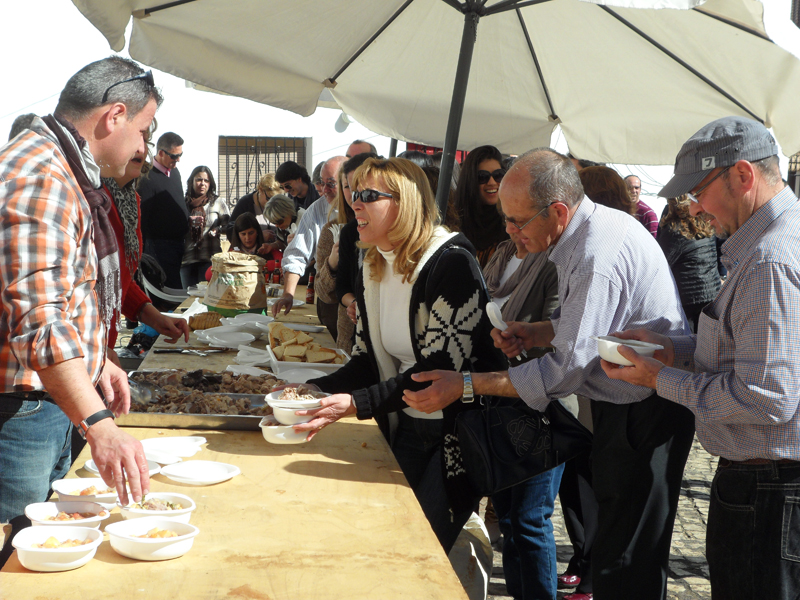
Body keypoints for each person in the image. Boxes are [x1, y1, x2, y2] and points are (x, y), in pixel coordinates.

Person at [405, 148, 695, 600]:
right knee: (618, 547)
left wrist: (464, 385)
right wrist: (538, 331)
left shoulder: (596, 252)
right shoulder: (584, 234)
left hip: (644, 409)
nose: (510, 231)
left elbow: (564, 371)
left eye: (517, 221)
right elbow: (593, 328)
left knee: (626, 556)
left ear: (558, 211)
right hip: (630, 401)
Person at [602, 116, 800, 600]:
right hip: (768, 487)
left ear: (743, 177)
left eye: (698, 190)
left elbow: (767, 399)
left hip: (766, 489)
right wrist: (675, 349)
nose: (692, 205)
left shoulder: (769, 259)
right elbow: (745, 350)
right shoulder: (768, 245)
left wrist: (660, 377)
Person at [291, 157, 505, 552]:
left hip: (455, 434)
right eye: (354, 193)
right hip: (406, 424)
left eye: (369, 195)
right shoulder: (374, 262)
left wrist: (354, 403)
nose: (354, 203)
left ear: (404, 203)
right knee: (389, 535)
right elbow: (366, 359)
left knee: (420, 549)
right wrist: (310, 388)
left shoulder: (452, 262)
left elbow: (438, 373)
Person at [0, 56, 161, 564]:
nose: (143, 147)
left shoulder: (64, 168)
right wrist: (100, 425)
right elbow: (38, 321)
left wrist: (99, 359)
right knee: (27, 559)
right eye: (143, 130)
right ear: (114, 115)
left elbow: (67, 290)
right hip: (25, 409)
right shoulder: (42, 174)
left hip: (47, 400)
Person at [483, 220, 564, 600]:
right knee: (509, 518)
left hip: (541, 404)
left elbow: (561, 338)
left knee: (530, 519)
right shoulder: (500, 256)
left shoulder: (552, 262)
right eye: (508, 217)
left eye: (520, 218)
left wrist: (519, 338)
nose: (513, 226)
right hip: (499, 400)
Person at [101, 129, 190, 362]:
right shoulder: (91, 201)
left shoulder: (131, 200)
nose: (140, 148)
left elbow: (117, 278)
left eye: (144, 140)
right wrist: (99, 351)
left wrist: (154, 317)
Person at [271, 156, 347, 320]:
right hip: (329, 298)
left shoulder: (364, 207)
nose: (324, 189)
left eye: (331, 184)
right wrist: (288, 294)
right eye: (322, 183)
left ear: (348, 181)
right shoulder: (317, 209)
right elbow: (297, 253)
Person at [315, 153, 375, 352]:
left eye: (361, 188)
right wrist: (331, 264)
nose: (353, 194)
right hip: (349, 339)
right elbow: (324, 294)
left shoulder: (385, 232)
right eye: (347, 186)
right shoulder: (337, 231)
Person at [656, 195, 720, 333]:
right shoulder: (705, 225)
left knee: (689, 343)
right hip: (711, 293)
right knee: (707, 342)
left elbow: (661, 263)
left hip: (688, 298)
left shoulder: (675, 229)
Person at [138, 131, 187, 288]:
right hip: (159, 247)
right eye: (174, 156)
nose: (178, 159)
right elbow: (143, 217)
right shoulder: (147, 177)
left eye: (181, 154)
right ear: (160, 153)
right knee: (169, 289)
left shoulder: (175, 172)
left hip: (178, 245)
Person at [454, 145, 509, 268]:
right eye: (482, 177)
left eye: (498, 175)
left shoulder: (511, 224)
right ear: (470, 180)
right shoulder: (454, 223)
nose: (492, 182)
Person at [181, 166, 230, 287]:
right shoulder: (184, 203)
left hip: (210, 260)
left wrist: (217, 230)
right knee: (188, 299)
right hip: (188, 260)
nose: (202, 183)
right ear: (192, 181)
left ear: (210, 183)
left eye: (206, 180)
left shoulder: (217, 202)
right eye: (199, 179)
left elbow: (230, 226)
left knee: (207, 299)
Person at [229, 172, 281, 239]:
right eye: (269, 198)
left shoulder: (278, 205)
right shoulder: (245, 203)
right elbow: (230, 230)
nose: (272, 203)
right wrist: (259, 236)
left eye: (275, 199)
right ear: (260, 190)